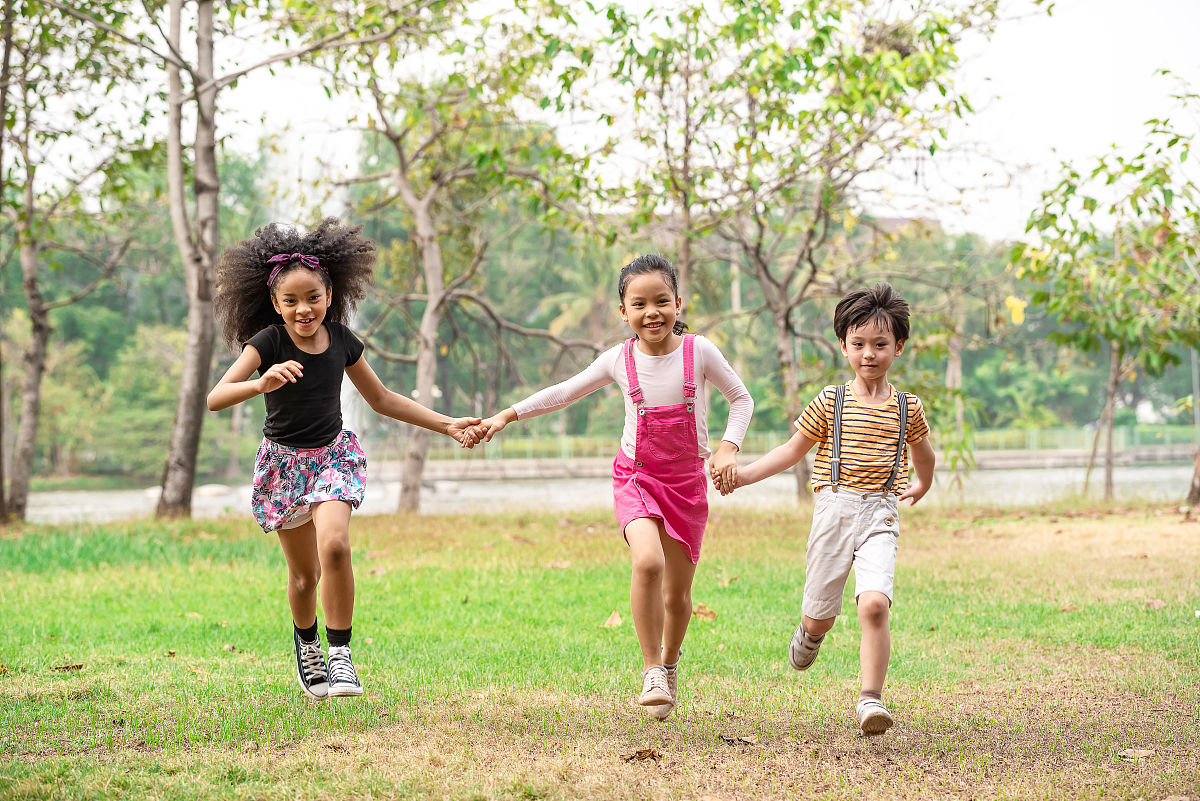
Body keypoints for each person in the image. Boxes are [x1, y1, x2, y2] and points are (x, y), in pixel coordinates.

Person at [207, 218, 480, 701]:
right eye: (289, 301)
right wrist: (261, 382)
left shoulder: (342, 340)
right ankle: (306, 640)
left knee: (334, 546)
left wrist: (447, 424)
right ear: (275, 304)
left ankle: (339, 655)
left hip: (333, 457)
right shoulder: (267, 343)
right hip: (284, 465)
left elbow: (383, 399)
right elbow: (216, 397)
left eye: (312, 296)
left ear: (330, 294)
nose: (302, 308)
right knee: (303, 575)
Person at [472, 255, 753, 721]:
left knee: (678, 597)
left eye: (662, 301)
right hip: (636, 477)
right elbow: (564, 391)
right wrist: (506, 415)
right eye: (639, 304)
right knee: (647, 562)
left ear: (678, 302)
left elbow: (740, 399)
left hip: (686, 483)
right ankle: (651, 671)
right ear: (623, 311)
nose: (652, 312)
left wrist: (727, 448)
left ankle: (670, 660)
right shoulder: (618, 360)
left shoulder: (699, 352)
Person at [715, 282, 934, 736]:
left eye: (880, 344)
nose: (869, 354)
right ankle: (811, 632)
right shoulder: (829, 402)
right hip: (834, 510)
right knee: (821, 615)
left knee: (874, 605)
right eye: (858, 344)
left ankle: (870, 700)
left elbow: (924, 453)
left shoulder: (907, 408)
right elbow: (792, 451)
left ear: (899, 347)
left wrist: (923, 483)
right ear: (843, 346)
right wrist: (743, 475)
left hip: (881, 514)